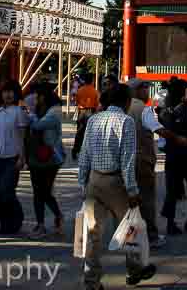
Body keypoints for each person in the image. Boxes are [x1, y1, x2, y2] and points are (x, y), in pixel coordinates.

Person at [78, 83, 156, 289]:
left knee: (93, 234)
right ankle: (135, 268)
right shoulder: (126, 121)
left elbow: (84, 155)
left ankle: (91, 281)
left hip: (94, 180)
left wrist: (82, 184)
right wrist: (132, 190)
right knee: (130, 227)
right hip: (116, 182)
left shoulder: (93, 119)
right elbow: (127, 160)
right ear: (127, 102)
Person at [127, 78, 187, 249]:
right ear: (139, 90)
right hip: (142, 159)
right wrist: (178, 138)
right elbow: (158, 129)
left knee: (129, 199)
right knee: (146, 198)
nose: (147, 92)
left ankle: (129, 235)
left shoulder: (123, 107)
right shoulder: (143, 109)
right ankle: (151, 236)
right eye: (145, 88)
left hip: (124, 160)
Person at [159, 78, 187, 235]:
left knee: (172, 191)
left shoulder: (165, 110)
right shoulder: (185, 109)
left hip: (172, 155)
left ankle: (171, 223)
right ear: (181, 92)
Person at [0, 79, 29, 234]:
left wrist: (22, 157)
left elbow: (22, 136)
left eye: (11, 91)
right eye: (5, 91)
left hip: (12, 157)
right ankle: (4, 223)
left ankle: (16, 219)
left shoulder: (19, 112)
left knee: (7, 191)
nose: (8, 95)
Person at [26, 82, 65, 238]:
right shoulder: (39, 108)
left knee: (45, 191)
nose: (35, 99)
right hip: (35, 154)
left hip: (51, 157)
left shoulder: (54, 111)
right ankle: (40, 224)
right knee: (38, 191)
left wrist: (30, 115)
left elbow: (38, 125)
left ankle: (57, 216)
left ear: (44, 96)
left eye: (38, 96)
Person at [73, 75, 100, 160]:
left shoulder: (80, 90)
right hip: (91, 112)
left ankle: (75, 149)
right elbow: (97, 104)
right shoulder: (95, 91)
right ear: (92, 81)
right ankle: (88, 152)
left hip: (81, 112)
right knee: (90, 133)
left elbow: (76, 101)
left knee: (79, 132)